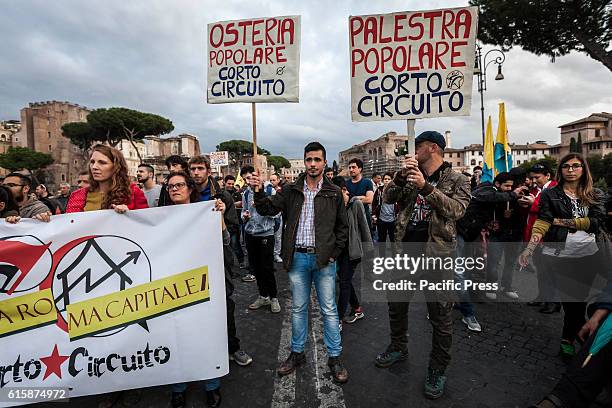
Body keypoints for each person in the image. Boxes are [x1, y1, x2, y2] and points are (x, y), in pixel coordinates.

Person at [375, 130, 470, 399]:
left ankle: (438, 368)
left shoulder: (458, 178)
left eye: (416, 146)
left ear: (431, 148)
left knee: (441, 316)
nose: (411, 150)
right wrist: (400, 176)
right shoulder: (409, 174)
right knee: (396, 305)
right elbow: (388, 198)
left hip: (437, 257)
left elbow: (457, 210)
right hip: (405, 252)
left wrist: (426, 188)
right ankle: (398, 346)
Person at [252, 142, 350, 384]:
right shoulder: (291, 190)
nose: (313, 164)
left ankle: (335, 357)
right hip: (297, 258)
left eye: (317, 160)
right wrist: (257, 191)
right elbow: (267, 209)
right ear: (304, 162)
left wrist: (333, 254)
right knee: (298, 309)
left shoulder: (334, 192)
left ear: (324, 163)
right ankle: (297, 354)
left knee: (329, 310)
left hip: (324, 260)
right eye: (309, 160)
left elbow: (343, 228)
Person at [519, 153, 607, 363]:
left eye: (576, 166)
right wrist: (529, 250)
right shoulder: (551, 194)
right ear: (561, 170)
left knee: (580, 301)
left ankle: (573, 338)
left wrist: (561, 221)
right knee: (572, 304)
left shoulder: (595, 194)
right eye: (566, 166)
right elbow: (543, 222)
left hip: (588, 256)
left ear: (584, 169)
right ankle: (574, 341)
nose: (570, 169)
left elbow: (596, 222)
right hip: (559, 255)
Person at [160, 170, 226, 408]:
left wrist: (219, 216)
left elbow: (224, 242)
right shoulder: (159, 218)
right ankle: (178, 388)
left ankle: (212, 385)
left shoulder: (206, 212)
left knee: (205, 335)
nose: (174, 189)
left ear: (190, 188)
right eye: (170, 186)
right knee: (175, 336)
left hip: (203, 285)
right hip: (170, 287)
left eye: (179, 185)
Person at [188, 155, 253, 368]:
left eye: (200, 168)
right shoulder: (184, 193)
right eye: (193, 169)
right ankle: (200, 350)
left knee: (225, 304)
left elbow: (234, 227)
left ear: (208, 171)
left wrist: (222, 217)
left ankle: (233, 348)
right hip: (189, 260)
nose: (196, 173)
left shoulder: (222, 195)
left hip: (217, 259)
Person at [331, 176, 372, 328]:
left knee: (344, 283)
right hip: (339, 251)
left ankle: (338, 319)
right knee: (345, 281)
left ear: (342, 190)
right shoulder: (334, 205)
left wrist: (369, 252)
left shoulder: (356, 204)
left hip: (353, 251)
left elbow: (365, 228)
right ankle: (357, 309)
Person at [240, 165, 280, 313]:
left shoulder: (270, 191)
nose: (249, 181)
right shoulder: (245, 194)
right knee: (256, 268)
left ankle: (274, 297)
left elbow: (277, 213)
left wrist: (261, 205)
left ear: (257, 176)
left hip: (266, 234)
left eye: (250, 177)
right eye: (246, 179)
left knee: (267, 268)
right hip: (251, 234)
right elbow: (244, 212)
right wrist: (244, 215)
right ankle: (263, 296)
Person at [484, 171, 528, 300]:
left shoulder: (522, 194)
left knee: (511, 262)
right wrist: (490, 222)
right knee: (493, 263)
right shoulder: (493, 194)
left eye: (512, 186)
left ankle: (506, 286)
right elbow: (485, 211)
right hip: (497, 235)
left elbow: (527, 210)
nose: (510, 189)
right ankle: (491, 286)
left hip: (515, 234)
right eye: (507, 186)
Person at [524, 163, 561, 314]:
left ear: (547, 176)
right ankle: (542, 296)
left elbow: (554, 211)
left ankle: (554, 301)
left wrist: (534, 204)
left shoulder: (556, 189)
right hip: (536, 237)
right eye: (532, 177)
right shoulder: (535, 190)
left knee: (551, 271)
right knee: (541, 269)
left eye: (537, 177)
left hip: (549, 237)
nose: (534, 180)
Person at [66, 145, 148, 213]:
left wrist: (129, 215)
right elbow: (69, 225)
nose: (94, 167)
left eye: (102, 162)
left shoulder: (133, 192)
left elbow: (145, 223)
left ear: (116, 167)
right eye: (92, 162)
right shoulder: (77, 195)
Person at [223, 175, 246, 271]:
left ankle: (241, 261)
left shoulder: (237, 193)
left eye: (232, 184)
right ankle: (229, 265)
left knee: (235, 245)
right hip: (224, 224)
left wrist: (233, 203)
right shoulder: (221, 193)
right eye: (229, 183)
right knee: (226, 246)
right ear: (224, 183)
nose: (231, 185)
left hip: (235, 224)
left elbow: (241, 203)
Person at [372, 172, 397, 256]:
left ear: (392, 180)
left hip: (393, 219)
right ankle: (382, 258)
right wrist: (374, 214)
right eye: (385, 179)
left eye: (389, 179)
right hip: (381, 219)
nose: (387, 181)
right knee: (381, 240)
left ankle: (394, 258)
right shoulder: (379, 190)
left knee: (393, 240)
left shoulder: (395, 190)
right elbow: (374, 203)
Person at [346, 158, 374, 229]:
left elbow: (369, 199)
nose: (351, 170)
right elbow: (345, 202)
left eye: (353, 167)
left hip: (365, 218)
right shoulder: (346, 184)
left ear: (360, 169)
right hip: (350, 218)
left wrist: (354, 199)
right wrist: (362, 197)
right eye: (349, 168)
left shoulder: (367, 182)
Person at [269, 173, 284, 263]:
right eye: (270, 180)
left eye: (274, 180)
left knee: (278, 237)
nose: (272, 182)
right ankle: (270, 254)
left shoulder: (282, 191)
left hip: (278, 216)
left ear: (278, 180)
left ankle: (277, 254)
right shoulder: (267, 190)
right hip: (269, 217)